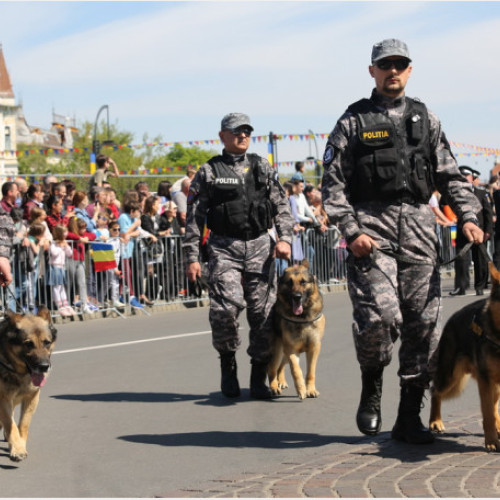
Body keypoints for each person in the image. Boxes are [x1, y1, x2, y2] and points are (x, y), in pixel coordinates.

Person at [321, 39, 483, 444]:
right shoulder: (352, 121)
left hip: (419, 226)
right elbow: (333, 185)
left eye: (400, 64)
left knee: (423, 326)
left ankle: (409, 415)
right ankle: (372, 380)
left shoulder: (425, 118)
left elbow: (449, 176)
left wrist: (469, 216)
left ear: (410, 70)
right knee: (381, 316)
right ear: (372, 71)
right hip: (370, 227)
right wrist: (351, 230)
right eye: (385, 64)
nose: (393, 71)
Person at [184, 112, 294, 399]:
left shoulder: (262, 166)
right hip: (223, 248)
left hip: (259, 245)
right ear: (222, 136)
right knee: (224, 311)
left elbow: (280, 204)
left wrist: (285, 239)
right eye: (236, 131)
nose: (242, 135)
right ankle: (228, 363)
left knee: (263, 315)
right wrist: (192, 257)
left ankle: (258, 376)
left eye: (246, 131)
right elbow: (194, 218)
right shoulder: (209, 172)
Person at [449, 166, 493, 296]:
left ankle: (479, 286)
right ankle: (461, 287)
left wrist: (488, 231)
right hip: (463, 232)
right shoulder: (456, 193)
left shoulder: (481, 193)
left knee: (480, 261)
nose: (463, 178)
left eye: (466, 176)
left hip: (479, 232)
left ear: (472, 179)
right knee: (461, 261)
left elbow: (488, 213)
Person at [47, 224, 76, 317]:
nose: (66, 233)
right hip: (54, 266)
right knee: (56, 287)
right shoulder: (53, 243)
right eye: (64, 232)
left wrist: (66, 246)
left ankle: (66, 304)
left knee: (62, 286)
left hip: (61, 267)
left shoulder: (64, 243)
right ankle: (59, 306)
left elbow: (70, 254)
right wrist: (61, 247)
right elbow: (54, 253)